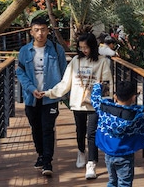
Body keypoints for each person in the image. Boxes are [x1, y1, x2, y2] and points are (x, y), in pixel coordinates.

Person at [44, 32, 114, 180]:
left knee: (92, 133)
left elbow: (107, 83)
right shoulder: (76, 60)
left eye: (86, 47)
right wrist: (49, 93)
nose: (83, 50)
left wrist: (106, 102)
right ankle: (81, 151)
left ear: (93, 47)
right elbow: (65, 82)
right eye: (81, 47)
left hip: (94, 103)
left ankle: (91, 162)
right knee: (80, 130)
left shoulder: (102, 62)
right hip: (77, 102)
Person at [18, 15, 68, 176]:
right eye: (37, 30)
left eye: (43, 30)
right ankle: (40, 154)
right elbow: (21, 73)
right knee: (36, 128)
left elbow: (64, 72)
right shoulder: (24, 51)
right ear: (31, 32)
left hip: (50, 97)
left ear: (48, 31)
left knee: (47, 128)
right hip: (31, 97)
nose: (40, 33)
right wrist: (32, 88)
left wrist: (59, 92)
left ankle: (47, 161)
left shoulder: (56, 49)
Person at [91, 80, 144, 187]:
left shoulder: (104, 107)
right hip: (124, 154)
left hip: (108, 152)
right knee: (124, 183)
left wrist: (98, 86)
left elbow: (94, 99)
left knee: (112, 181)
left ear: (115, 96)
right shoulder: (137, 114)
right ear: (133, 98)